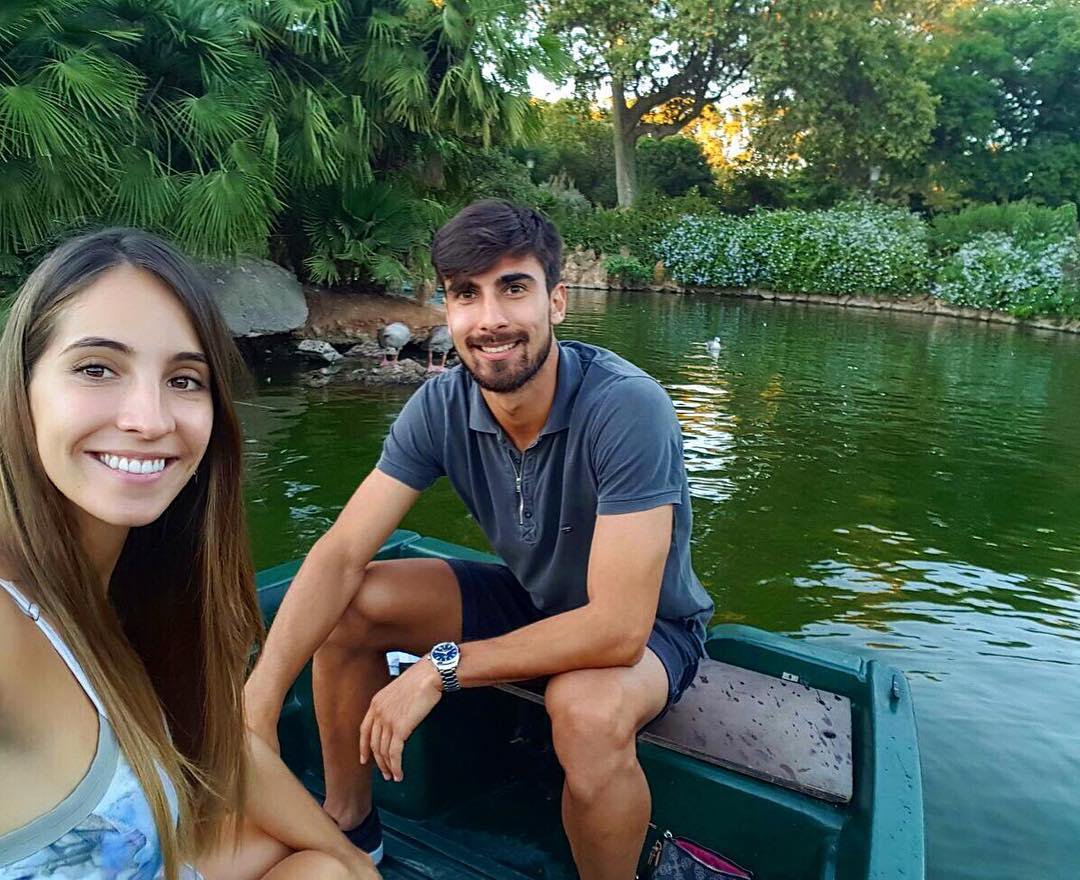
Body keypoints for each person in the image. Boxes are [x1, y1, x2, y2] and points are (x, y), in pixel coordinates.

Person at [244, 200, 715, 879]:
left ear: (556, 301)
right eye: (467, 293)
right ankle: (349, 825)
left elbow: (617, 629)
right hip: (533, 600)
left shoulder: (625, 407)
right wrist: (260, 702)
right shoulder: (441, 406)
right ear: (448, 307)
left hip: (651, 633)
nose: (490, 319)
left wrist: (439, 668)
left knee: (584, 709)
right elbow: (341, 552)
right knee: (351, 604)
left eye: (513, 288)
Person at [0, 230, 378, 880]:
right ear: (22, 387)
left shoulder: (139, 583)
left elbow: (219, 741)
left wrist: (353, 861)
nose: (150, 420)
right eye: (96, 368)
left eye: (183, 379)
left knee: (327, 869)